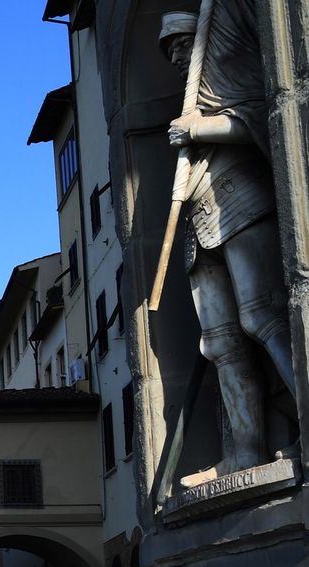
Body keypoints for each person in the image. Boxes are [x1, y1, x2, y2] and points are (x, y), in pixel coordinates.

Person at [161, 6, 297, 486]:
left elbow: (262, 114)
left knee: (262, 315)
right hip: (199, 220)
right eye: (169, 48)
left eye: (181, 43)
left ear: (200, 38)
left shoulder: (227, 74)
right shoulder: (189, 95)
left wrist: (203, 128)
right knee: (219, 341)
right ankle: (245, 450)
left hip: (241, 201)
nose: (177, 54)